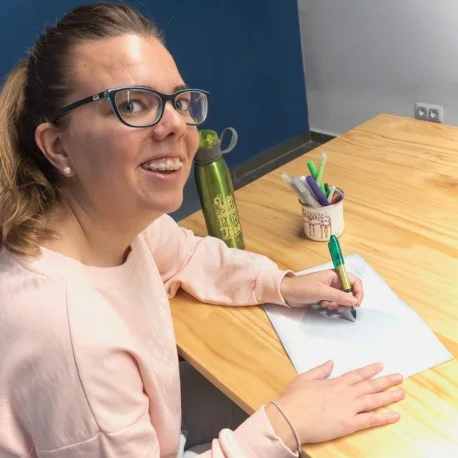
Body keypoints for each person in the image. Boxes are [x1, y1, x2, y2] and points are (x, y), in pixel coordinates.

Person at [0, 3, 405, 457]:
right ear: (58, 146)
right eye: (132, 104)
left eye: (178, 101)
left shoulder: (115, 222)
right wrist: (285, 425)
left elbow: (187, 255)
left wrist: (284, 285)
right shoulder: (70, 337)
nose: (176, 124)